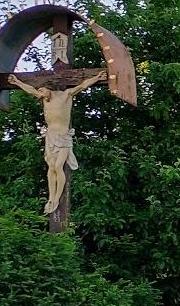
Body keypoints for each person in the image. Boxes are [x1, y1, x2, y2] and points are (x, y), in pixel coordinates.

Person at [8, 69, 108, 214]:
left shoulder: (65, 95)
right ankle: (50, 197)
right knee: (51, 167)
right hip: (50, 136)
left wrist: (97, 77)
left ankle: (56, 197)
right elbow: (30, 90)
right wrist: (17, 81)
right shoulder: (44, 97)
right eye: (40, 92)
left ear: (49, 88)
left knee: (58, 166)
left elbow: (82, 86)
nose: (40, 94)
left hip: (63, 136)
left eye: (42, 91)